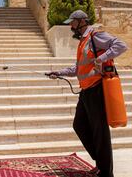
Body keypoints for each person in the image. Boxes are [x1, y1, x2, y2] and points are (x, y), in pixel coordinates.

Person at [46, 10, 127, 177]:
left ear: (81, 21)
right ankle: (100, 161)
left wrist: (102, 58)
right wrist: (58, 73)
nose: (70, 25)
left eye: (72, 22)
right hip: (86, 91)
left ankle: (105, 172)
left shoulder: (95, 36)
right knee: (79, 125)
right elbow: (78, 68)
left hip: (97, 89)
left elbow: (121, 45)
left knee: (100, 131)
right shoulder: (83, 42)